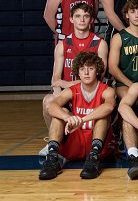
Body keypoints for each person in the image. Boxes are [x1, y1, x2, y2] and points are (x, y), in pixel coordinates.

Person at [38, 52, 116, 180]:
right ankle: (52, 158)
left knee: (103, 116)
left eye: (90, 69)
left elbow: (109, 107)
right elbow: (51, 106)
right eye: (82, 69)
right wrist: (67, 117)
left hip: (97, 142)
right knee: (60, 112)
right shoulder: (72, 90)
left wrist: (82, 120)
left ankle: (93, 158)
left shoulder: (107, 90)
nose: (86, 73)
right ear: (77, 73)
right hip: (75, 141)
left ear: (97, 71)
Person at [41, 3, 108, 142]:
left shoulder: (100, 44)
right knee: (48, 101)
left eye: (86, 16)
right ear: (71, 19)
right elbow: (55, 77)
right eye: (77, 16)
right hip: (69, 95)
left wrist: (67, 83)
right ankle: (54, 142)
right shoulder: (63, 45)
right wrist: (57, 91)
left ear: (91, 20)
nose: (82, 20)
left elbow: (98, 77)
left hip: (90, 94)